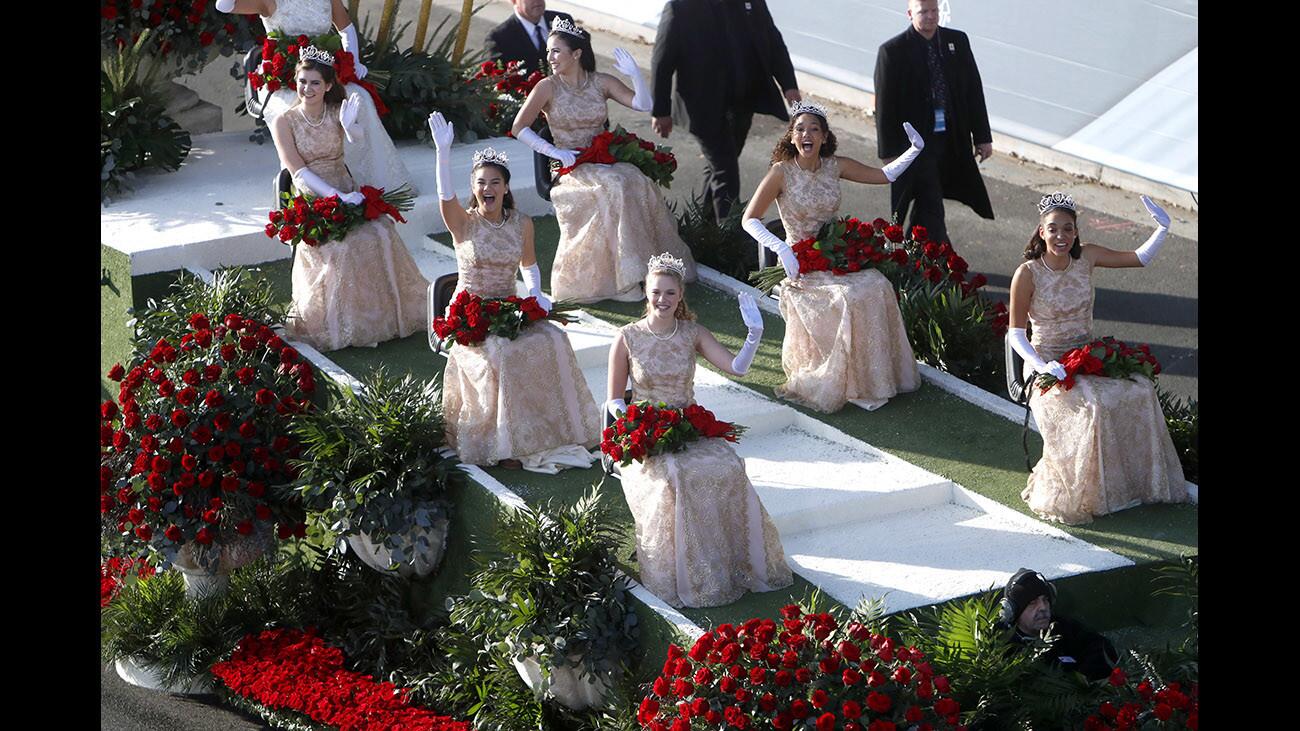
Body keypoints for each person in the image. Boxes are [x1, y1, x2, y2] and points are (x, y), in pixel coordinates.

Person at [606, 253, 793, 608]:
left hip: (687, 428)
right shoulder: (627, 337)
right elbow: (614, 400)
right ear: (646, 292)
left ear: (680, 297)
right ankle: (684, 572)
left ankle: (731, 563)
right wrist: (637, 427)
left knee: (728, 465)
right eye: (656, 292)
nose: (662, 300)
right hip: (649, 436)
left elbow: (736, 368)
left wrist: (754, 334)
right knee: (676, 475)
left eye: (670, 294)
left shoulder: (692, 333)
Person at [427, 112, 600, 471]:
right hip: (469, 312)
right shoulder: (463, 223)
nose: (487, 188)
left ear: (505, 187)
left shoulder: (522, 223)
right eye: (480, 182)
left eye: (494, 182)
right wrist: (443, 153)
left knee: (552, 339)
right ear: (474, 188)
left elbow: (529, 265)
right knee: (502, 353)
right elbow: (445, 195)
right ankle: (504, 444)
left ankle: (552, 431)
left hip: (509, 307)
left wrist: (536, 293)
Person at [1007, 192, 1188, 524]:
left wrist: (1162, 228)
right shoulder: (1028, 273)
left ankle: (1135, 485)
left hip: (1087, 358)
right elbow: (1015, 334)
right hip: (1046, 367)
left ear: (1076, 232)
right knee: (1091, 407)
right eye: (1053, 229)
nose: (1060, 236)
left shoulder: (1087, 257)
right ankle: (1088, 494)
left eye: (1067, 229)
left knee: (1140, 390)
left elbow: (1139, 258)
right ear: (1041, 231)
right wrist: (1042, 365)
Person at [741, 102, 923, 412]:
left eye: (814, 129)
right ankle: (841, 381)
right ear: (791, 136)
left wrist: (914, 150)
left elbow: (884, 175)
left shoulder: (835, 166)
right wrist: (781, 249)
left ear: (825, 137)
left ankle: (872, 379)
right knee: (847, 296)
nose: (806, 134)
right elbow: (750, 219)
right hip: (800, 264)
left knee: (877, 284)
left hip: (833, 255)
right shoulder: (780, 172)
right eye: (800, 129)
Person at [511, 19, 696, 303]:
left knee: (637, 180)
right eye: (549, 52)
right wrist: (553, 151)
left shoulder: (601, 82)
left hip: (603, 159)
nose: (550, 58)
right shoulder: (547, 87)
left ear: (576, 54)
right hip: (571, 166)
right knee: (615, 186)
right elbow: (518, 127)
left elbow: (644, 105)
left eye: (557, 51)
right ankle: (623, 282)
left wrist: (636, 75)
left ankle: (650, 271)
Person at [268, 50, 428, 352]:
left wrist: (351, 125)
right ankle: (337, 323)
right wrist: (337, 198)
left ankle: (379, 317)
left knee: (380, 231)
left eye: (315, 83)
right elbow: (298, 171)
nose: (307, 89)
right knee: (342, 245)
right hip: (313, 198)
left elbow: (356, 140)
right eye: (303, 82)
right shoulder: (284, 122)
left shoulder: (335, 110)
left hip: (347, 188)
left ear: (328, 85)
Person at [217, 0, 417, 194]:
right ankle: (305, 182)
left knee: (359, 98)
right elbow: (224, 6)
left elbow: (346, 28)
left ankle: (370, 181)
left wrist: (353, 60)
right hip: (285, 80)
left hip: (322, 74)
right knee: (296, 109)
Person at [651, 0, 801, 222]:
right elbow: (662, 61)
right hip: (702, 107)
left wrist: (789, 85)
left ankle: (702, 230)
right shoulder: (681, 8)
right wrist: (661, 110)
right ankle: (731, 238)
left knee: (719, 167)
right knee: (726, 173)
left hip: (743, 102)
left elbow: (773, 42)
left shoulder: (752, 3)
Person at [873, 0, 993, 245]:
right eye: (923, 12)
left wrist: (982, 136)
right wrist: (888, 152)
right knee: (930, 199)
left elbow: (973, 90)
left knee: (929, 200)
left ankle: (915, 253)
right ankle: (938, 258)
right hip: (916, 144)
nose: (929, 17)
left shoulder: (957, 42)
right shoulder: (893, 51)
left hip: (951, 138)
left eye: (934, 11)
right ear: (910, 14)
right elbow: (884, 105)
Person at [484, 0, 575, 207]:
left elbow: (585, 65)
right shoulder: (499, 37)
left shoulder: (562, 21)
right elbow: (501, 88)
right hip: (535, 123)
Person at [999, 568, 1118, 682]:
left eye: (1045, 600)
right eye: (1032, 603)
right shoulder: (1002, 645)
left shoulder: (1064, 628)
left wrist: (1079, 679)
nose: (1043, 607)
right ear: (1013, 611)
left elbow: (1102, 648)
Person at [484, 0, 574, 75]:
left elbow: (583, 60)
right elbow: (497, 79)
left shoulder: (562, 21)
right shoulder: (499, 38)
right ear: (514, 1)